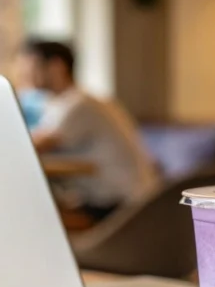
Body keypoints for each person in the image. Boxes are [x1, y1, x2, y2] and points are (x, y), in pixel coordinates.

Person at [15, 39, 160, 221]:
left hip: (122, 205)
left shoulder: (79, 105)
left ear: (56, 66)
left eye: (29, 65)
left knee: (35, 219)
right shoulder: (60, 104)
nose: (23, 73)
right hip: (105, 198)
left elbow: (33, 146)